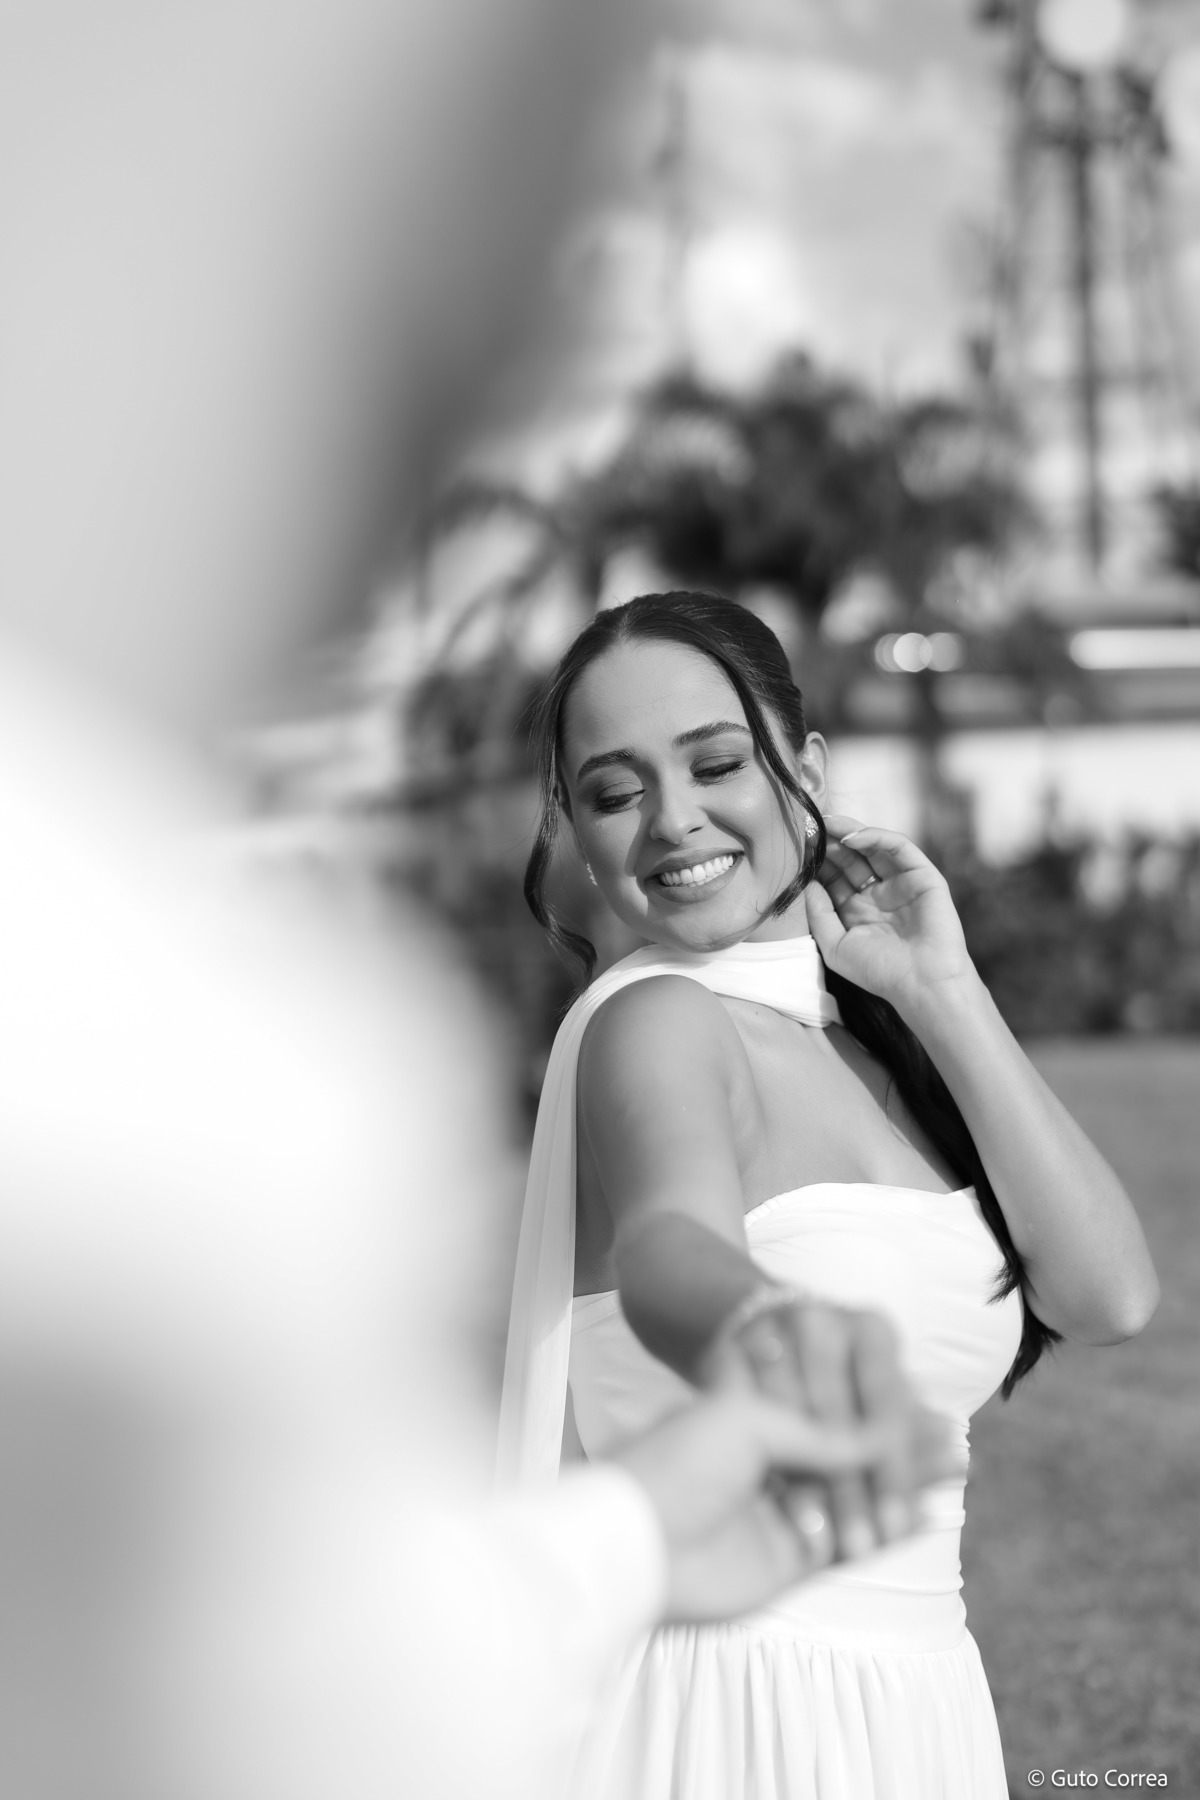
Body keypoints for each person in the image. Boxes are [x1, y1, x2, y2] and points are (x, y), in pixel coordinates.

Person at [498, 588, 1160, 1800]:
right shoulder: (655, 1021)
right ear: (579, 837)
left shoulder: (865, 1040)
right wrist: (757, 1323)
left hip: (918, 1699)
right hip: (731, 1706)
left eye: (715, 764)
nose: (673, 819)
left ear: (804, 769)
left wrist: (943, 991)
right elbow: (668, 1244)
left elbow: (1109, 1295)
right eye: (615, 791)